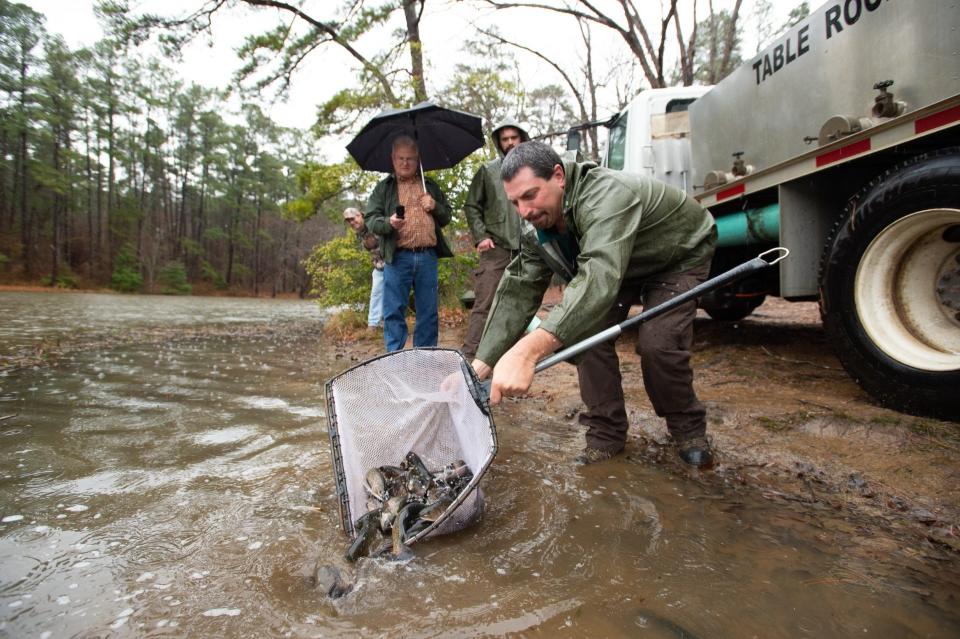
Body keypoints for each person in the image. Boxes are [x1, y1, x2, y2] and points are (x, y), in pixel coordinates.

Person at [472, 141, 717, 468]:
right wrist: (481, 365)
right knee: (586, 336)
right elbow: (518, 289)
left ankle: (688, 429)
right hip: (623, 263)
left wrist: (527, 350)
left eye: (530, 195)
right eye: (515, 202)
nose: (525, 211)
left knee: (659, 343)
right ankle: (606, 433)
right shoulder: (536, 228)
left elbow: (598, 276)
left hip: (677, 254)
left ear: (558, 176)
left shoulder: (606, 195)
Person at [364, 136, 454, 351]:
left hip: (427, 256)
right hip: (397, 257)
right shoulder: (384, 188)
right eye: (401, 158)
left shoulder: (429, 185)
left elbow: (447, 217)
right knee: (394, 310)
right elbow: (370, 219)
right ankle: (394, 357)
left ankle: (424, 357)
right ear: (392, 159)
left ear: (418, 160)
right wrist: (389, 223)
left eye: (410, 159)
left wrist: (435, 206)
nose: (405, 163)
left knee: (428, 312)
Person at [461, 120, 530, 361]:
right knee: (484, 306)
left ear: (522, 139)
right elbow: (471, 205)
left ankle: (512, 360)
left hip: (528, 250)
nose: (510, 142)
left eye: (514, 137)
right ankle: (469, 360)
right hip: (496, 249)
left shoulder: (533, 170)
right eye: (505, 138)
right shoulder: (488, 171)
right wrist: (481, 237)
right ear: (499, 143)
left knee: (520, 308)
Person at [343, 206, 384, 331]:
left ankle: (385, 323)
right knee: (376, 293)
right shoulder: (360, 233)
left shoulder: (374, 223)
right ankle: (373, 325)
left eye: (353, 218)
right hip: (379, 266)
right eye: (348, 221)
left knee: (393, 294)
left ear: (360, 215)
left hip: (393, 263)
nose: (351, 222)